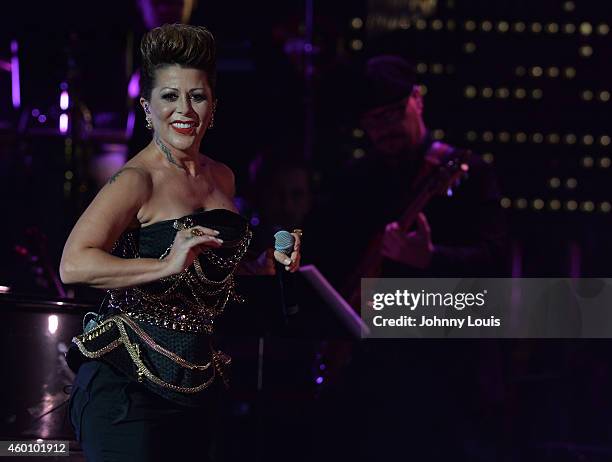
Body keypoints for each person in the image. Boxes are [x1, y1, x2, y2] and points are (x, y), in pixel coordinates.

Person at [59, 24, 301, 462]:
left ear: (213, 107)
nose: (184, 109)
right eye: (169, 96)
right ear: (148, 108)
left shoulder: (221, 177)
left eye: (197, 96)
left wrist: (266, 263)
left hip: (198, 386)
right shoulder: (136, 180)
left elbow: (209, 271)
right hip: (125, 388)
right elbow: (74, 265)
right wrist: (166, 263)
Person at [311, 55, 508, 461]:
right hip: (368, 373)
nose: (385, 128)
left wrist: (431, 259)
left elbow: (495, 265)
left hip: (445, 369)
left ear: (418, 99)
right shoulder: (353, 181)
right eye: (373, 120)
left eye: (393, 113)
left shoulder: (467, 173)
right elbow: (326, 260)